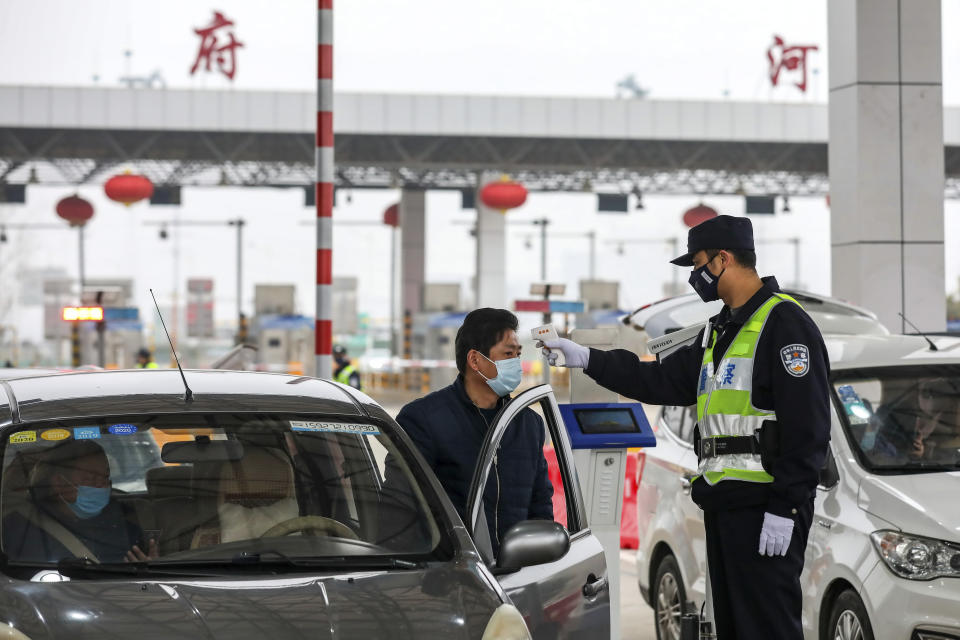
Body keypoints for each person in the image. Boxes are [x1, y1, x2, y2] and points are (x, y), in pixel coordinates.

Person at [541, 215, 830, 640]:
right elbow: (658, 379)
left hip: (764, 507)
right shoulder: (719, 330)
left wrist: (785, 507)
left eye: (698, 265)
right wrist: (587, 358)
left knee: (766, 627)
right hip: (724, 504)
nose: (695, 276)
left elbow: (808, 427)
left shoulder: (784, 324)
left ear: (723, 259)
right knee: (735, 627)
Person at [392, 308, 553, 556]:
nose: (516, 363)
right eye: (508, 354)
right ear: (475, 360)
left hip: (517, 578)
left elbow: (540, 505)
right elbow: (401, 505)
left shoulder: (528, 423)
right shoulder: (424, 419)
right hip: (452, 575)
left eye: (518, 354)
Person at [2, 439, 158, 563]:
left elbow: (140, 571)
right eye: (90, 478)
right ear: (59, 483)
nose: (101, 486)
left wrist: (149, 567)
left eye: (105, 478)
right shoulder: (18, 529)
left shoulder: (124, 521)